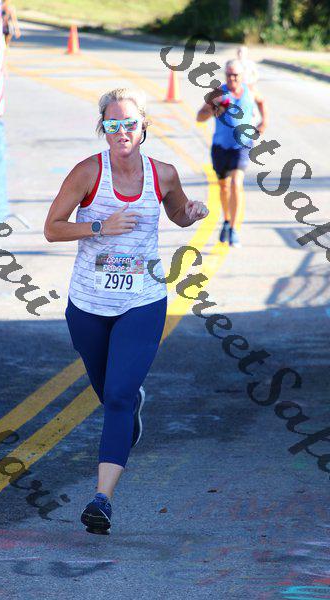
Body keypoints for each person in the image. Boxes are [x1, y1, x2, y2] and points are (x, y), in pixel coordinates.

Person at [44, 87, 209, 535]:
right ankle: (132, 408)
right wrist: (100, 225)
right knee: (111, 394)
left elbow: (177, 213)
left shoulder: (163, 173)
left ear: (143, 128)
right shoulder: (87, 173)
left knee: (117, 396)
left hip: (142, 302)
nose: (122, 131)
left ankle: (102, 499)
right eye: (113, 124)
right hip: (88, 306)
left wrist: (192, 212)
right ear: (104, 128)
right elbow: (52, 229)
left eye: (129, 124)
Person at [196, 59, 267, 248]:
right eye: (229, 74)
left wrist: (264, 122)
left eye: (235, 75)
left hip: (242, 146)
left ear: (242, 76)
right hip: (220, 147)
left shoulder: (250, 91)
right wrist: (214, 107)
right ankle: (227, 221)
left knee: (236, 183)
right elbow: (199, 117)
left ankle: (234, 229)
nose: (232, 78)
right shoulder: (218, 93)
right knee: (224, 187)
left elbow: (261, 101)